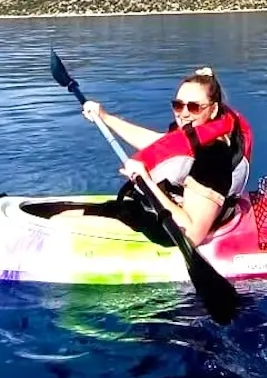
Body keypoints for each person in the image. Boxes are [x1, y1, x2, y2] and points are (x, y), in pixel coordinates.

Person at [68, 66, 254, 247]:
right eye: (178, 105)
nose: (183, 114)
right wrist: (104, 117)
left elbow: (192, 235)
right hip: (155, 208)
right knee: (63, 213)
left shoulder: (214, 157)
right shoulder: (194, 134)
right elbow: (159, 145)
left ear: (213, 110)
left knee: (61, 224)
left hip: (169, 230)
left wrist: (146, 180)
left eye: (194, 107)